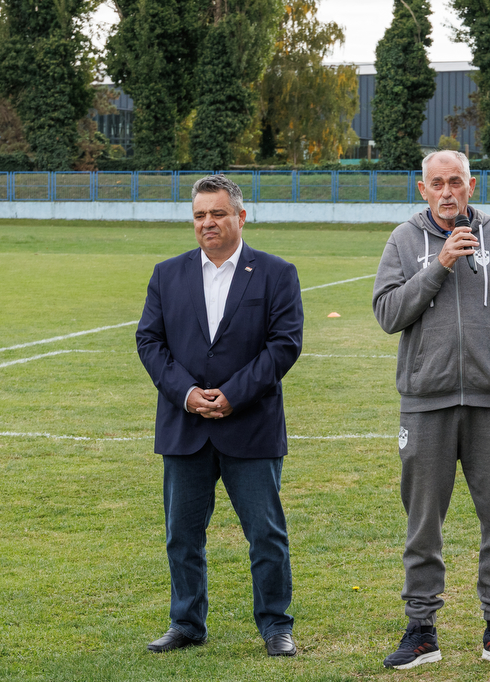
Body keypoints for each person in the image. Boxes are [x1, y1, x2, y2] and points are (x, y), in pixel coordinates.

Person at [372, 150, 490, 669]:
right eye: (437, 183)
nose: (447, 192)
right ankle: (421, 631)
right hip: (426, 404)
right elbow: (388, 313)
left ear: (471, 185)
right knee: (423, 525)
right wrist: (439, 265)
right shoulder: (404, 240)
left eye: (456, 182)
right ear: (422, 189)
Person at [136, 174, 303, 657]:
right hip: (184, 426)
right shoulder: (167, 274)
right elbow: (150, 341)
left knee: (266, 535)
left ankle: (275, 625)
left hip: (251, 426)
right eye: (199, 215)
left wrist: (232, 395)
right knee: (182, 536)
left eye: (218, 213)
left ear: (240, 216)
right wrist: (187, 393)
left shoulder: (276, 273)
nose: (207, 222)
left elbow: (284, 345)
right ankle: (186, 623)